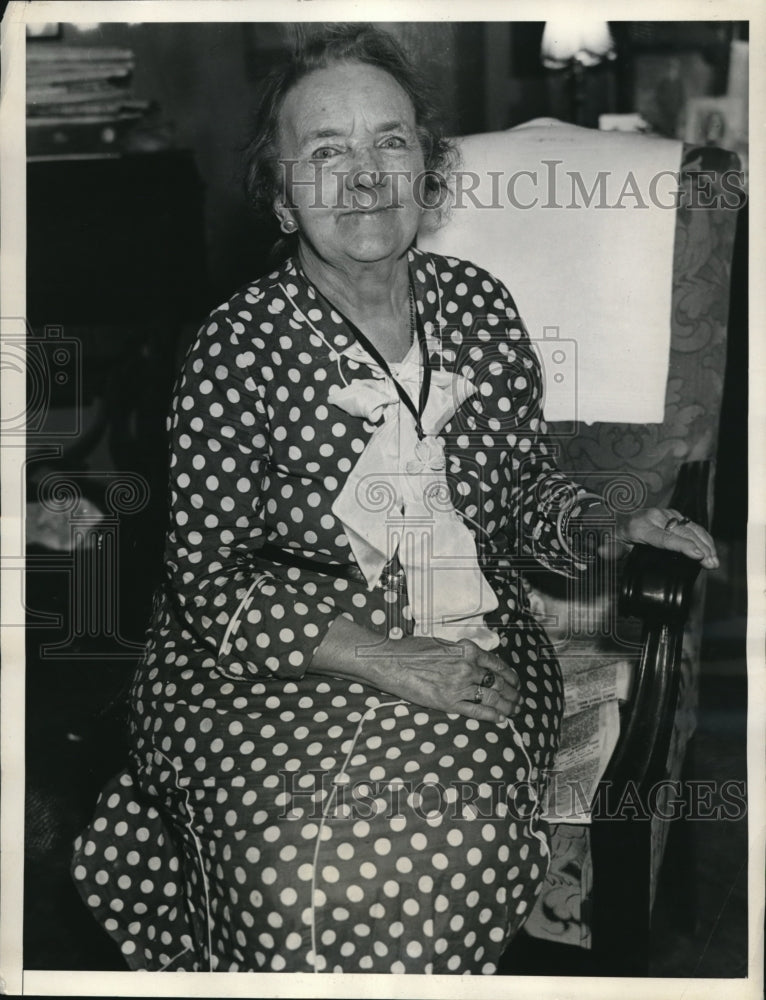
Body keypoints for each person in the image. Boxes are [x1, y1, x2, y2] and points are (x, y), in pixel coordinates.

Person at [71, 26, 718, 975]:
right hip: (262, 653)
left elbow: (521, 485)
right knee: (286, 868)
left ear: (428, 169)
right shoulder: (232, 347)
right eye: (326, 152)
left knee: (450, 837)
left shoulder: (480, 308)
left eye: (391, 142)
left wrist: (606, 517)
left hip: (472, 638)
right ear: (282, 197)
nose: (365, 176)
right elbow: (206, 581)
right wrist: (385, 660)